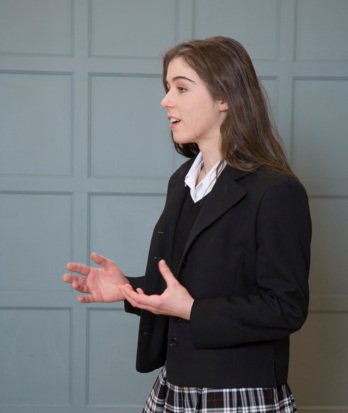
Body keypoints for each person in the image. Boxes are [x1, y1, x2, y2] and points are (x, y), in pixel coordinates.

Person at [63, 36, 311, 412]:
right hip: (175, 384)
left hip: (238, 393)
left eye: (181, 88)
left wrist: (193, 310)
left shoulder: (276, 191)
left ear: (224, 97)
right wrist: (127, 288)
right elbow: (187, 286)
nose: (166, 101)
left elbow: (286, 308)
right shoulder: (182, 181)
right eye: (167, 88)